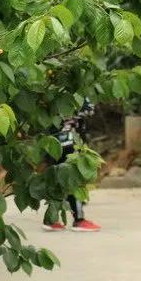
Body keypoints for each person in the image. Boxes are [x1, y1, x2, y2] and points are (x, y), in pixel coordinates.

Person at [44, 98, 100, 232]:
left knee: (57, 181)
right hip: (69, 143)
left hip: (52, 143)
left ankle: (51, 220)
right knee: (74, 181)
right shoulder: (76, 93)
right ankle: (79, 220)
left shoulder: (51, 91)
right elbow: (89, 109)